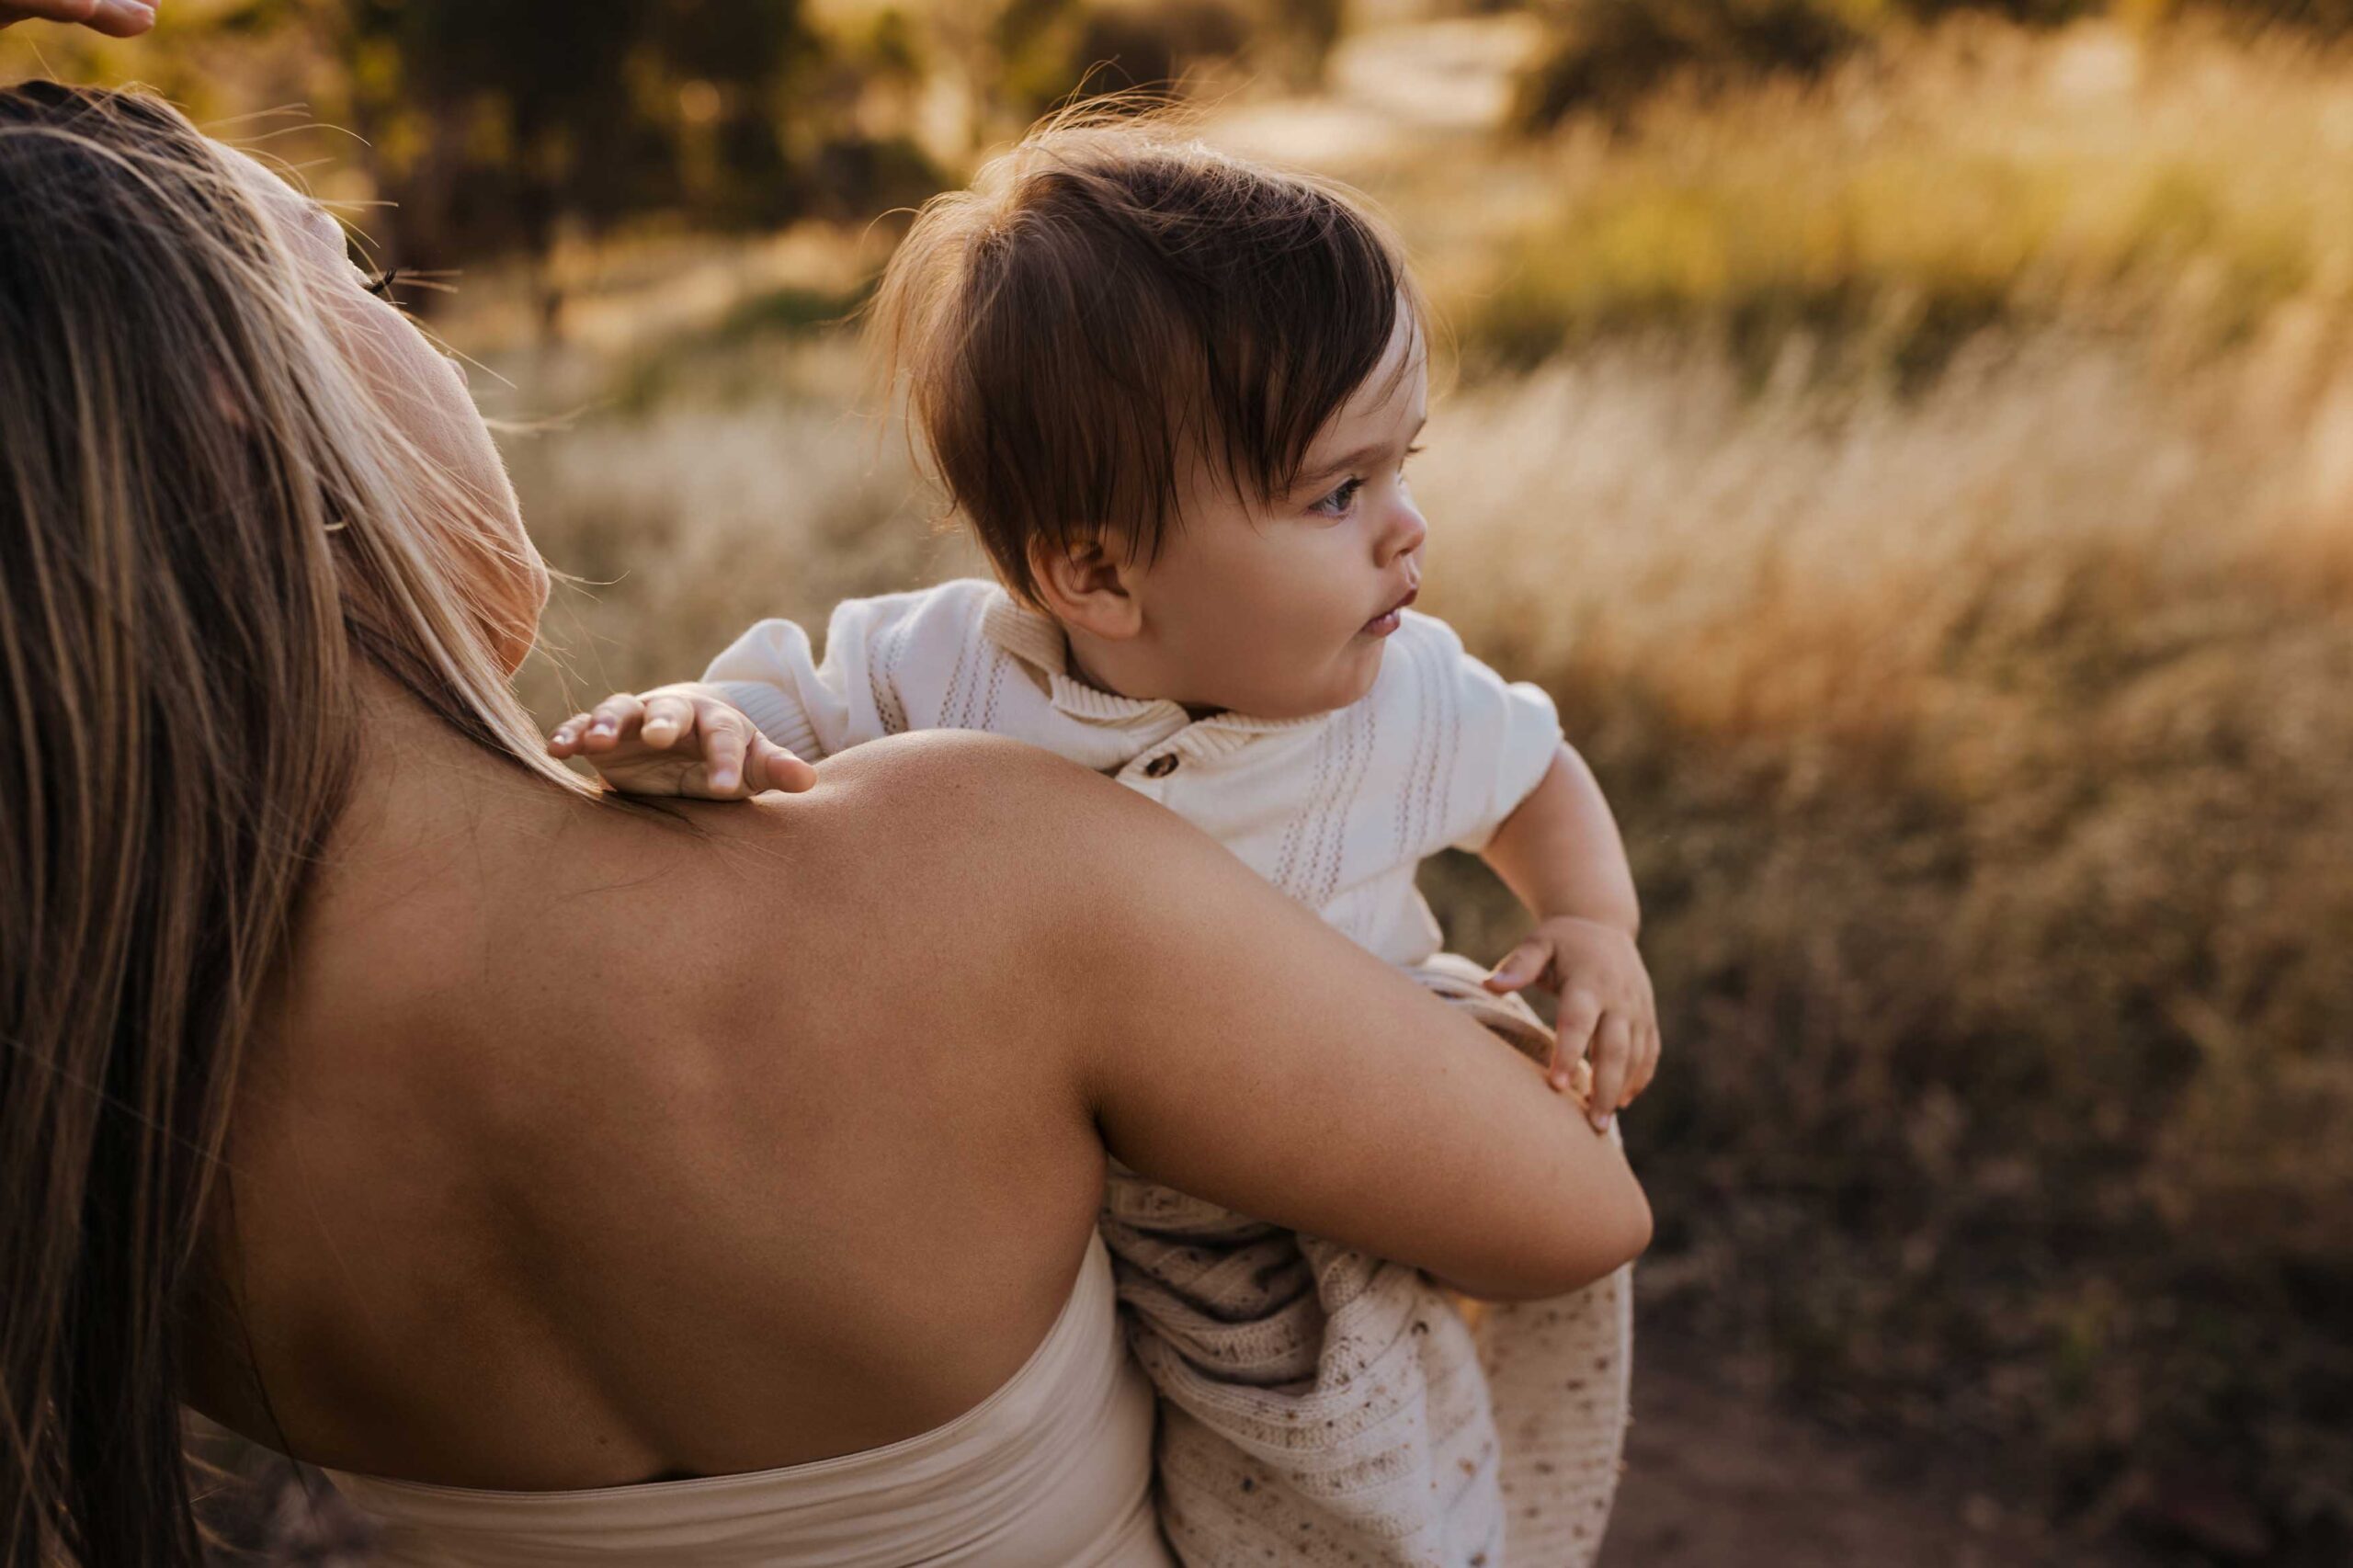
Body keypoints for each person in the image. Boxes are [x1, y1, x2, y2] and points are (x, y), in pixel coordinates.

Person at [0, 51, 1651, 1568]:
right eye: (350, 269)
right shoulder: (980, 869)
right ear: (243, 401)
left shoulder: (103, 1130)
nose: (421, 331)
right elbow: (1577, 1213)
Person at [547, 119, 1655, 1562]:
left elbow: (1537, 774)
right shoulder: (943, 674)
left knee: (1354, 1500)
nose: (1407, 532)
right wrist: (695, 732)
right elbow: (771, 715)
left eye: (1403, 469)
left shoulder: (1399, 697)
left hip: (1303, 1208)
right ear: (1095, 571)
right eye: (1339, 492)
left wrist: (1590, 921)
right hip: (1027, 1206)